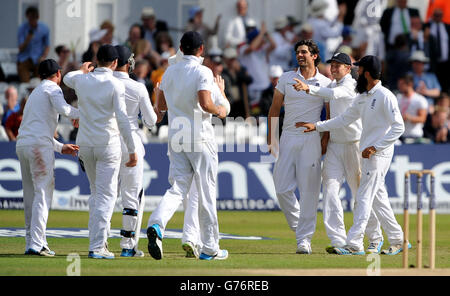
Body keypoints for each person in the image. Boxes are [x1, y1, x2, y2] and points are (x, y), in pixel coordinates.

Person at [296, 55, 407, 255]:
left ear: (366, 72)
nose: (357, 73)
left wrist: (377, 147)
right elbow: (344, 119)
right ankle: (398, 239)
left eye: (359, 69)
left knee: (363, 197)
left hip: (376, 153)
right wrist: (317, 126)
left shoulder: (385, 95)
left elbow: (399, 127)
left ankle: (355, 244)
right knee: (377, 198)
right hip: (363, 151)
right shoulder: (363, 97)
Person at [146, 31, 228, 261]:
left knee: (178, 188)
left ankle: (157, 224)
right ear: (201, 49)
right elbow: (205, 103)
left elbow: (160, 107)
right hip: (200, 137)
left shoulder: (169, 71)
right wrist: (219, 110)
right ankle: (210, 248)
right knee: (207, 191)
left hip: (176, 137)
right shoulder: (203, 71)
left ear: (181, 48)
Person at [64, 45, 137, 259]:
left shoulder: (82, 80)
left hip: (85, 145)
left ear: (98, 60)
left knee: (96, 194)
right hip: (107, 145)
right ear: (115, 63)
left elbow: (67, 77)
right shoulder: (115, 84)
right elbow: (123, 119)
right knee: (106, 196)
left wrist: (82, 70)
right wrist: (132, 149)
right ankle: (97, 247)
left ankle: (100, 240)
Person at [267, 39, 331, 254]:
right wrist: (271, 138)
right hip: (288, 136)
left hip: (311, 138)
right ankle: (299, 228)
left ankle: (304, 239)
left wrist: (325, 139)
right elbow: (274, 109)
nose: (300, 55)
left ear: (314, 55)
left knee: (309, 191)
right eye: (298, 52)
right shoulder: (286, 78)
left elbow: (330, 115)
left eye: (304, 52)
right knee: (281, 188)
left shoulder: (324, 82)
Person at [16, 59, 80, 256]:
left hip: (23, 146)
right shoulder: (53, 89)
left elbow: (36, 130)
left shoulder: (35, 92)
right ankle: (37, 244)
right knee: (42, 195)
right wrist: (89, 114)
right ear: (58, 74)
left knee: (31, 196)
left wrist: (60, 148)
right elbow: (65, 110)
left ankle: (31, 242)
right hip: (37, 147)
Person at [113, 46, 157, 257]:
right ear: (127, 63)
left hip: (106, 141)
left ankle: (99, 244)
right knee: (132, 195)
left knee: (104, 195)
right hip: (131, 143)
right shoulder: (137, 87)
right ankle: (128, 246)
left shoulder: (100, 82)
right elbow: (151, 121)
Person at [238, 21, 276, 113]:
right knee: (256, 115)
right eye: (260, 38)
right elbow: (251, 48)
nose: (262, 40)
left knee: (269, 113)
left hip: (266, 87)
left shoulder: (262, 49)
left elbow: (274, 46)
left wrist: (266, 33)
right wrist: (261, 33)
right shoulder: (243, 49)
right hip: (254, 89)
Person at [17, 6, 50, 82]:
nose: (31, 21)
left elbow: (47, 45)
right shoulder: (22, 28)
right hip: (24, 59)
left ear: (37, 17)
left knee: (39, 82)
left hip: (38, 59)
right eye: (30, 18)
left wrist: (43, 56)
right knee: (25, 83)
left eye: (33, 18)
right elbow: (20, 48)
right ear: (27, 17)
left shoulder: (44, 28)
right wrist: (27, 39)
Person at [425, 8, 450, 93]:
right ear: (432, 16)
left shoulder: (447, 27)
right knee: (433, 82)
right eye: (436, 15)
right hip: (432, 62)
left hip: (446, 62)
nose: (438, 17)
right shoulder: (427, 26)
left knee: (445, 83)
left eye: (440, 15)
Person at [397, 74, 428, 142]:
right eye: (399, 84)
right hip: (400, 136)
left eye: (402, 84)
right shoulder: (398, 98)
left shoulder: (420, 99)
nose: (399, 86)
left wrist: (409, 118)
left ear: (410, 84)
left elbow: (422, 118)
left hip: (415, 136)